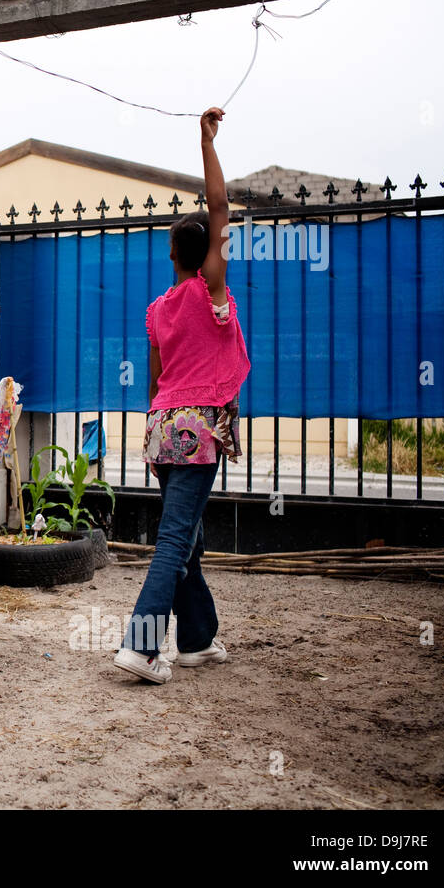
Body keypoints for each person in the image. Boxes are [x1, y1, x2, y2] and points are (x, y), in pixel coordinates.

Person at [113, 107, 251, 685]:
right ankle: (143, 647)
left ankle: (195, 641)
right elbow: (219, 208)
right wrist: (207, 142)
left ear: (172, 254)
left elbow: (153, 384)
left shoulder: (157, 311)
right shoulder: (210, 293)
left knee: (185, 536)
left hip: (163, 425)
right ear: (203, 257)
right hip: (198, 429)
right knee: (176, 537)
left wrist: (153, 439)